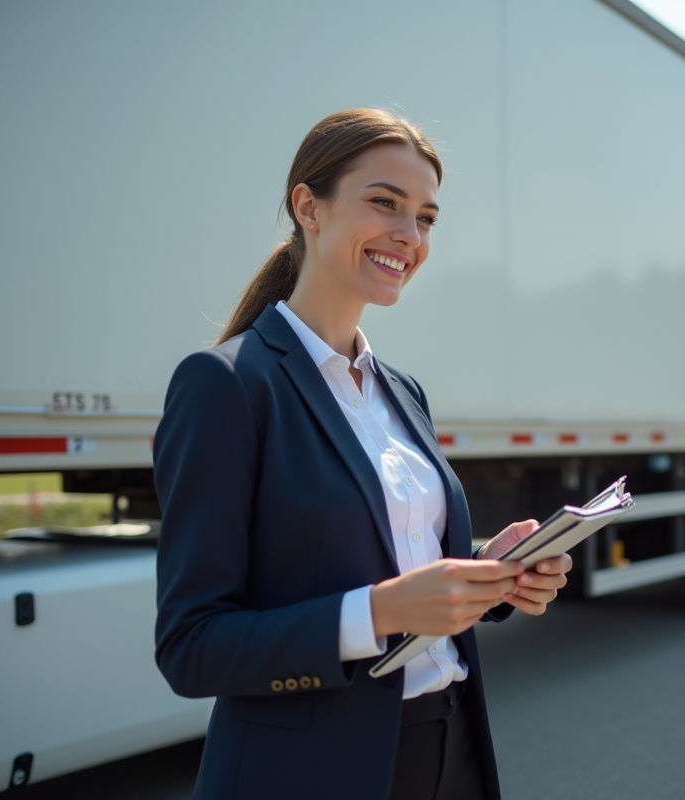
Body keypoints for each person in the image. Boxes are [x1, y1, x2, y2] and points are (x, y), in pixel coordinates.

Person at [153, 108, 571, 800]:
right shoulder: (225, 385)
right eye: (385, 203)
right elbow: (192, 648)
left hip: (452, 748)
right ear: (307, 207)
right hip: (314, 775)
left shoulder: (402, 391)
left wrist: (493, 574)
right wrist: (379, 612)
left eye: (427, 218)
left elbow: (401, 566)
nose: (409, 236)